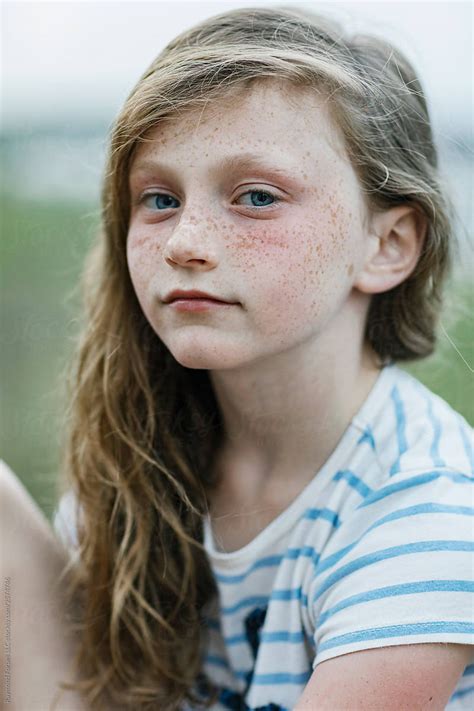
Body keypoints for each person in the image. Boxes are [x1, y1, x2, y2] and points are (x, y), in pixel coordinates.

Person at [3, 4, 473, 710]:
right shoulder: (147, 452)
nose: (185, 240)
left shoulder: (426, 513)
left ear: (388, 245)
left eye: (256, 196)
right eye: (158, 198)